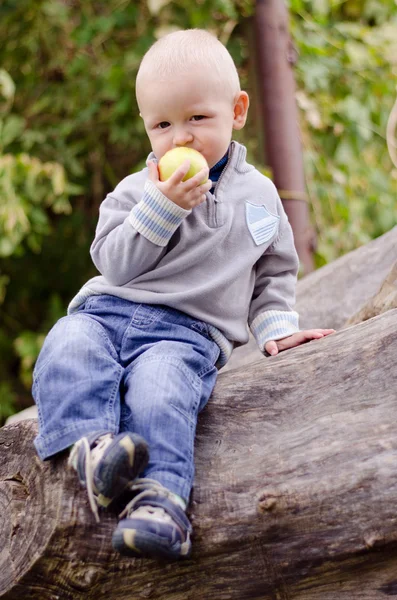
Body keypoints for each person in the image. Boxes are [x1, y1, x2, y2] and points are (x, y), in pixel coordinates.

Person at [32, 28, 334, 561]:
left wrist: (278, 329)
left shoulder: (257, 197)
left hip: (185, 333)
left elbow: (272, 274)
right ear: (146, 127)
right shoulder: (136, 191)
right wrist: (162, 207)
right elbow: (114, 264)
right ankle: (94, 451)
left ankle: (162, 502)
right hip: (109, 310)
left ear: (237, 110)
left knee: (161, 389)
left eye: (197, 118)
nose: (181, 139)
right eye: (163, 124)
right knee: (68, 345)